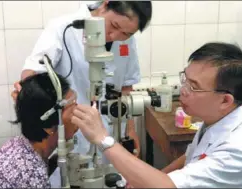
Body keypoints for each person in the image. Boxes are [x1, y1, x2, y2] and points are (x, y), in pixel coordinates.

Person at [71, 42, 242, 188]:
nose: (183, 90)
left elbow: (168, 186)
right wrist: (149, 179)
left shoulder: (240, 149)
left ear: (225, 101)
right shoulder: (218, 119)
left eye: (193, 86)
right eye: (185, 80)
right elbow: (192, 158)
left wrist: (103, 139)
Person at [11, 1, 152, 187]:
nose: (115, 36)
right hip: (72, 131)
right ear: (106, 4)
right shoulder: (63, 28)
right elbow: (34, 69)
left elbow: (125, 87)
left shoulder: (127, 40)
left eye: (126, 34)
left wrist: (130, 129)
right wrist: (28, 87)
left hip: (110, 131)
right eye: (114, 26)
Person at [0, 73, 78, 188]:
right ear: (49, 127)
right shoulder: (30, 177)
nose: (79, 112)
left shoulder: (21, 146)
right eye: (73, 108)